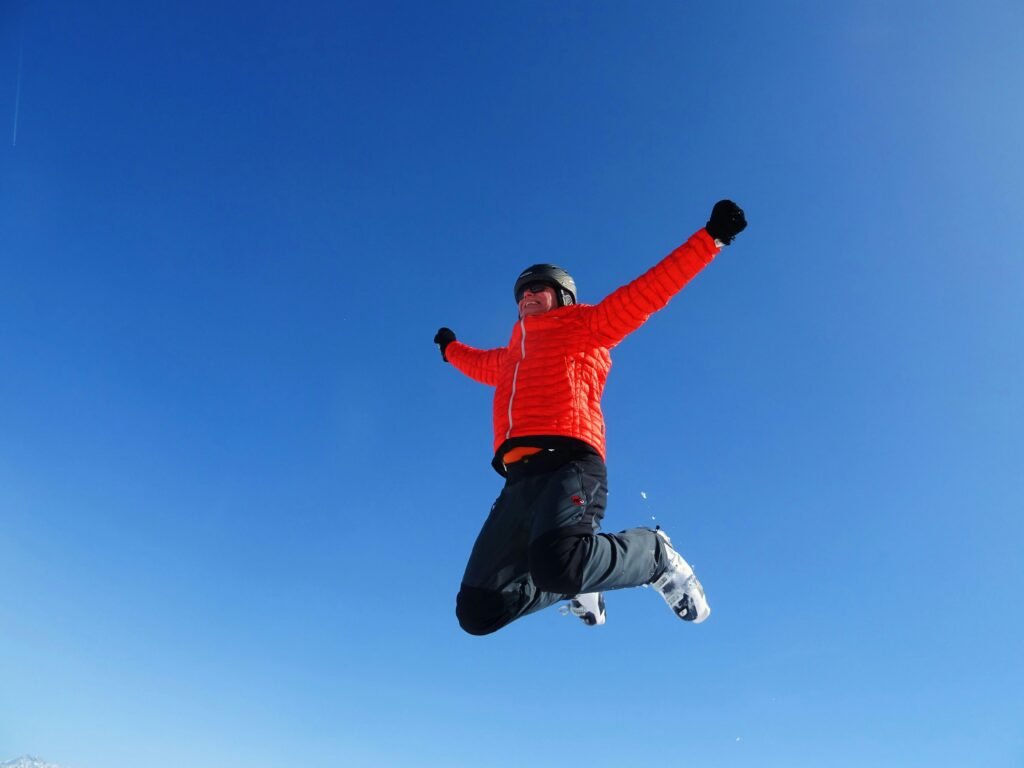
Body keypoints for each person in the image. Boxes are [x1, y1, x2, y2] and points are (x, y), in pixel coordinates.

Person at [433, 200, 747, 636]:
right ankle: (579, 584)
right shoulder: (510, 359)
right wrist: (450, 350)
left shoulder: (586, 326)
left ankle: (654, 555)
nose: (526, 296)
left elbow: (647, 292)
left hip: (569, 462)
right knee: (478, 610)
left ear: (562, 296)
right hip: (519, 480)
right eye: (521, 292)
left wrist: (709, 239)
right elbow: (476, 363)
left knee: (560, 561)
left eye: (537, 288)